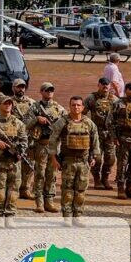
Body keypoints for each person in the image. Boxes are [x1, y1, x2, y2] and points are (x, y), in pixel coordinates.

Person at [49, 96, 100, 226]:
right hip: (68, 162)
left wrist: (94, 156)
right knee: (67, 190)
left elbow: (95, 140)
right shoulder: (62, 122)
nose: (76, 107)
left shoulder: (89, 123)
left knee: (81, 190)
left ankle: (78, 216)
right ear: (69, 106)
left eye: (78, 105)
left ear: (82, 107)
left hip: (84, 162)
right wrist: (53, 158)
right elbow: (53, 139)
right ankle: (67, 217)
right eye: (73, 105)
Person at [0, 95, 28, 225]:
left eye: (10, 103)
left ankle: (10, 215)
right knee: (0, 191)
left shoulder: (18, 123)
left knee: (14, 190)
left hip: (14, 162)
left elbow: (24, 140)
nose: (8, 105)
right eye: (5, 103)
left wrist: (21, 151)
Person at [26, 82, 64, 213]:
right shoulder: (35, 107)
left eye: (51, 90)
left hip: (53, 146)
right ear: (41, 92)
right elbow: (26, 124)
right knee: (40, 174)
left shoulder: (59, 108)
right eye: (46, 90)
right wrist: (37, 119)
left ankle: (50, 201)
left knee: (52, 175)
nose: (49, 92)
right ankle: (39, 203)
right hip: (40, 146)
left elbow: (65, 125)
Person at [112, 82, 131, 200]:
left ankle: (130, 188)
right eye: (130, 89)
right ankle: (120, 188)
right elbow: (111, 121)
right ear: (126, 90)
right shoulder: (118, 104)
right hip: (123, 138)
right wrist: (114, 137)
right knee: (122, 164)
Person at [83, 78, 117, 190]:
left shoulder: (114, 100)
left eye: (107, 84)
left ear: (110, 86)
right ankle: (97, 179)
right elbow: (81, 113)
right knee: (96, 158)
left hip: (109, 134)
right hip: (96, 133)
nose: (105, 86)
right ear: (98, 85)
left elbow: (119, 116)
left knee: (111, 158)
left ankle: (105, 178)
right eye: (103, 84)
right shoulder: (91, 98)